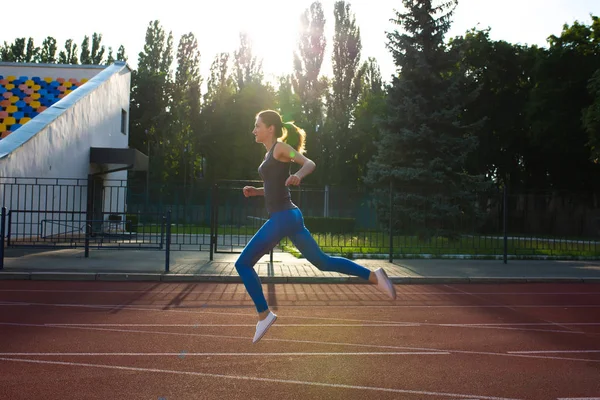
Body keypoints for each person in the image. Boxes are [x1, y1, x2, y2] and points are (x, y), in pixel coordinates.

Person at [237, 109, 396, 344]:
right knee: (322, 262)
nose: (254, 130)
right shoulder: (270, 154)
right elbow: (275, 187)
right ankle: (374, 276)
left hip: (283, 217)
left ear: (270, 128)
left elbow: (309, 162)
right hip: (289, 217)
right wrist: (257, 191)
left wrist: (299, 175)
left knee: (243, 263)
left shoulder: (280, 148)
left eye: (257, 125)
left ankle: (264, 314)